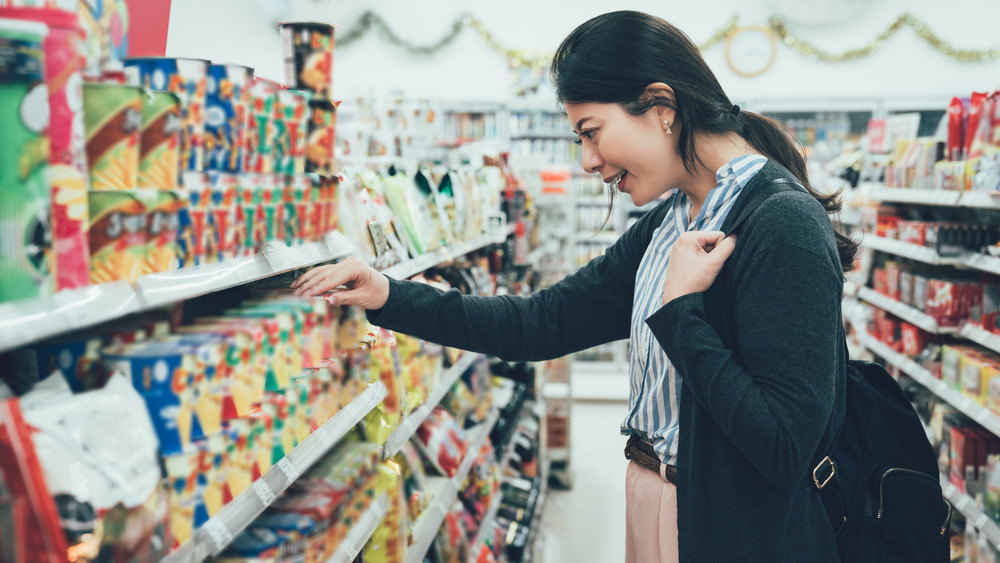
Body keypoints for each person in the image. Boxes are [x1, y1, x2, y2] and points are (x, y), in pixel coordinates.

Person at [292, 10, 855, 563]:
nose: (588, 161)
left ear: (662, 108)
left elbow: (783, 446)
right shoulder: (675, 220)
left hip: (732, 530)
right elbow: (539, 323)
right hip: (657, 497)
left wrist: (681, 310)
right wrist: (385, 294)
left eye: (591, 133)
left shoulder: (782, 224)